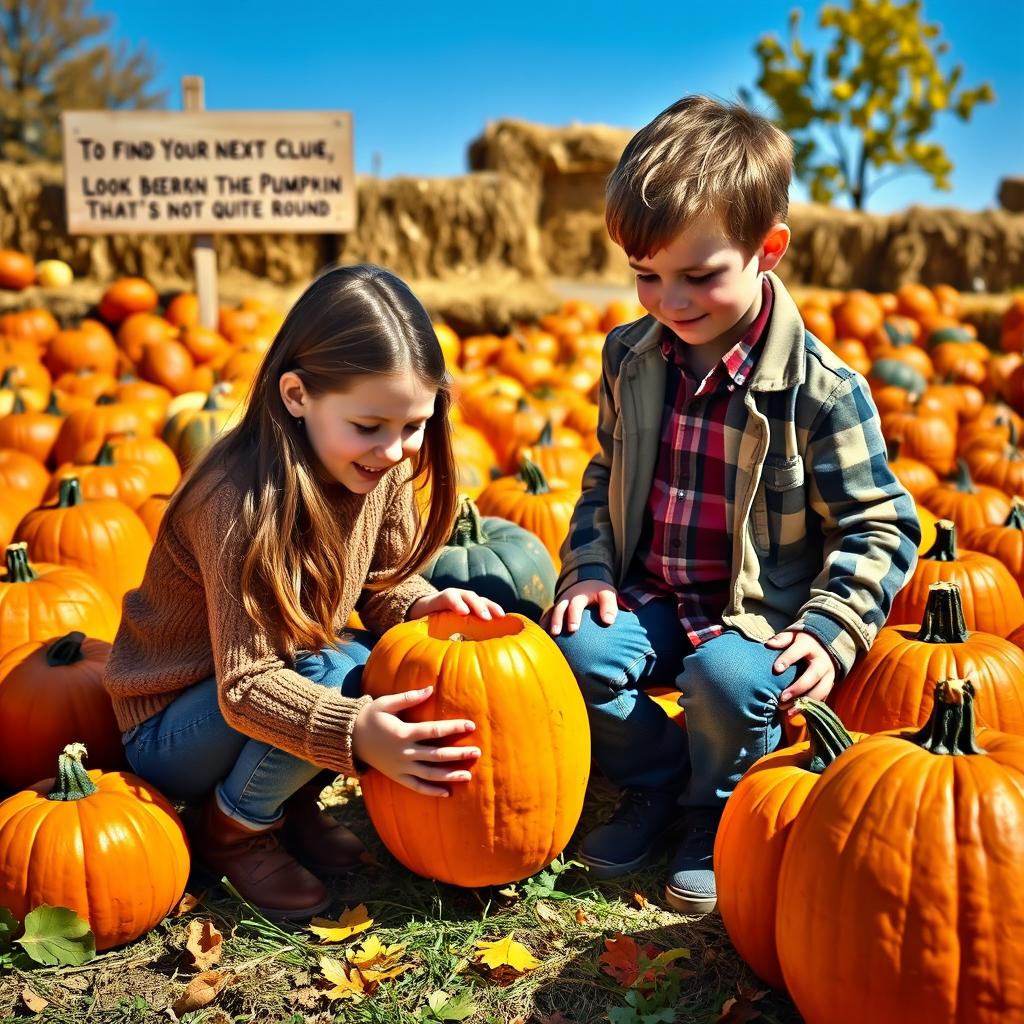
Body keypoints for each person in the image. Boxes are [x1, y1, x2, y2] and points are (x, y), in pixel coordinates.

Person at [546, 96, 919, 915]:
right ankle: (659, 779)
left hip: (761, 615)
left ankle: (717, 815)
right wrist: (590, 566)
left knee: (725, 677)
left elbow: (883, 524)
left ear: (767, 250)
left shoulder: (824, 391)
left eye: (698, 276)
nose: (668, 301)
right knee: (572, 651)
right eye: (646, 275)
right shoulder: (631, 358)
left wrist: (831, 625)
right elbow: (602, 472)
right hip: (658, 594)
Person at [103, 264, 503, 920]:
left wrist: (420, 603)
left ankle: (284, 804)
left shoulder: (382, 471)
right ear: (296, 396)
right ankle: (235, 830)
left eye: (413, 426)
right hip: (173, 723)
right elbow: (244, 686)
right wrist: (355, 729)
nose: (396, 449)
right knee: (344, 670)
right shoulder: (235, 500)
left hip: (276, 676)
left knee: (358, 660)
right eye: (370, 426)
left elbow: (382, 584)